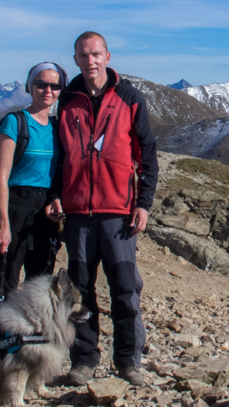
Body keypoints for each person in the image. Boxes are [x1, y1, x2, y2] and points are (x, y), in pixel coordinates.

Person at [46, 31, 158, 387]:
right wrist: (55, 193)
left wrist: (143, 203)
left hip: (118, 215)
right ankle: (84, 360)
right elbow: (59, 156)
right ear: (76, 60)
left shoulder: (129, 97)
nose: (90, 61)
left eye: (95, 54)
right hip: (78, 215)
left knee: (125, 289)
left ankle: (128, 361)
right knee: (79, 291)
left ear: (107, 56)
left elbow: (147, 155)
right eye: (83, 55)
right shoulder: (67, 100)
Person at [0, 61, 68, 323]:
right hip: (15, 208)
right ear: (29, 87)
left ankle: (30, 349)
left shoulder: (58, 128)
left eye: (55, 86)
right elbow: (1, 177)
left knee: (41, 287)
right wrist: (2, 225)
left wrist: (55, 199)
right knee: (6, 285)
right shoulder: (15, 122)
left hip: (44, 214)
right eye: (41, 84)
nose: (48, 90)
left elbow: (55, 173)